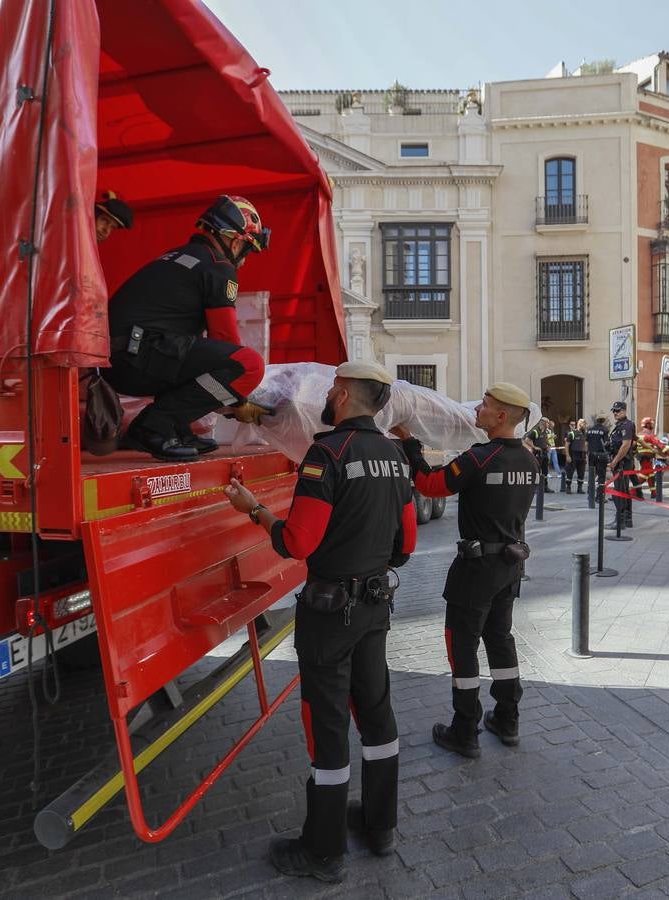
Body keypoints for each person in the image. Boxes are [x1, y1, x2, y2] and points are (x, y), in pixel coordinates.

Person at [222, 360, 416, 883]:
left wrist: (254, 509)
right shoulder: (396, 458)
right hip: (376, 607)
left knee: (327, 723)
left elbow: (296, 542)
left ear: (346, 393)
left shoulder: (325, 454)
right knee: (376, 714)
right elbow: (407, 545)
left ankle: (323, 850)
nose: (329, 395)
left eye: (334, 388)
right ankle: (380, 827)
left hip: (330, 613)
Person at [395, 383, 539, 759]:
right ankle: (507, 719)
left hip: (475, 571)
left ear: (502, 416)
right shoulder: (528, 459)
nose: (476, 409)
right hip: (510, 567)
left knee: (462, 647)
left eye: (485, 406)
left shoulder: (479, 458)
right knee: (500, 639)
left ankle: (465, 730)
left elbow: (430, 484)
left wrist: (409, 443)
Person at [105, 195, 270, 459]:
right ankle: (153, 427)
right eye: (247, 249)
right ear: (234, 239)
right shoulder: (218, 267)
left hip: (121, 357)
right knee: (248, 364)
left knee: (191, 349)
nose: (245, 259)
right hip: (138, 355)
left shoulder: (178, 257)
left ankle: (175, 429)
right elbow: (225, 337)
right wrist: (239, 399)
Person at [608, 402, 638, 527]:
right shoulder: (620, 426)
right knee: (624, 490)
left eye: (618, 410)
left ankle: (620, 521)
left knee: (619, 491)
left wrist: (614, 461)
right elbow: (634, 441)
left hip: (622, 462)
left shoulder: (626, 425)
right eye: (614, 411)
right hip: (623, 461)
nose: (615, 413)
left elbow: (625, 445)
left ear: (624, 411)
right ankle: (627, 519)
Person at [633, 417, 668, 500]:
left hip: (641, 456)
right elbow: (658, 443)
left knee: (650, 474)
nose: (652, 425)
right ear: (647, 424)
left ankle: (653, 492)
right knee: (645, 473)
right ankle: (633, 491)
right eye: (651, 424)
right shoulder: (649, 434)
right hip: (647, 456)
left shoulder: (639, 434)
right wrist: (667, 452)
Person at [584, 414, 611, 510]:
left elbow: (586, 443)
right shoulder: (604, 430)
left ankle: (590, 495)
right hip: (601, 455)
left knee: (591, 475)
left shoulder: (590, 430)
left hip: (591, 455)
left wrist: (587, 454)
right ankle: (600, 497)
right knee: (601, 476)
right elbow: (606, 443)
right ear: (603, 421)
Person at [527, 419, 553, 492]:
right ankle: (535, 488)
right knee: (536, 471)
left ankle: (545, 487)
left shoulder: (545, 431)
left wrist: (548, 445)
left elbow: (546, 440)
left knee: (545, 471)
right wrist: (534, 447)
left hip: (544, 453)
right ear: (543, 423)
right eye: (547, 423)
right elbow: (527, 440)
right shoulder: (535, 431)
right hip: (537, 453)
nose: (548, 424)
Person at [562, 419, 586, 494]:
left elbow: (586, 445)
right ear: (580, 424)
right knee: (570, 472)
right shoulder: (572, 433)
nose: (585, 426)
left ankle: (580, 488)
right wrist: (568, 456)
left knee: (581, 472)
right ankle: (568, 487)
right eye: (584, 424)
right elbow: (566, 445)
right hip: (573, 455)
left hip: (582, 456)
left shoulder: (585, 434)